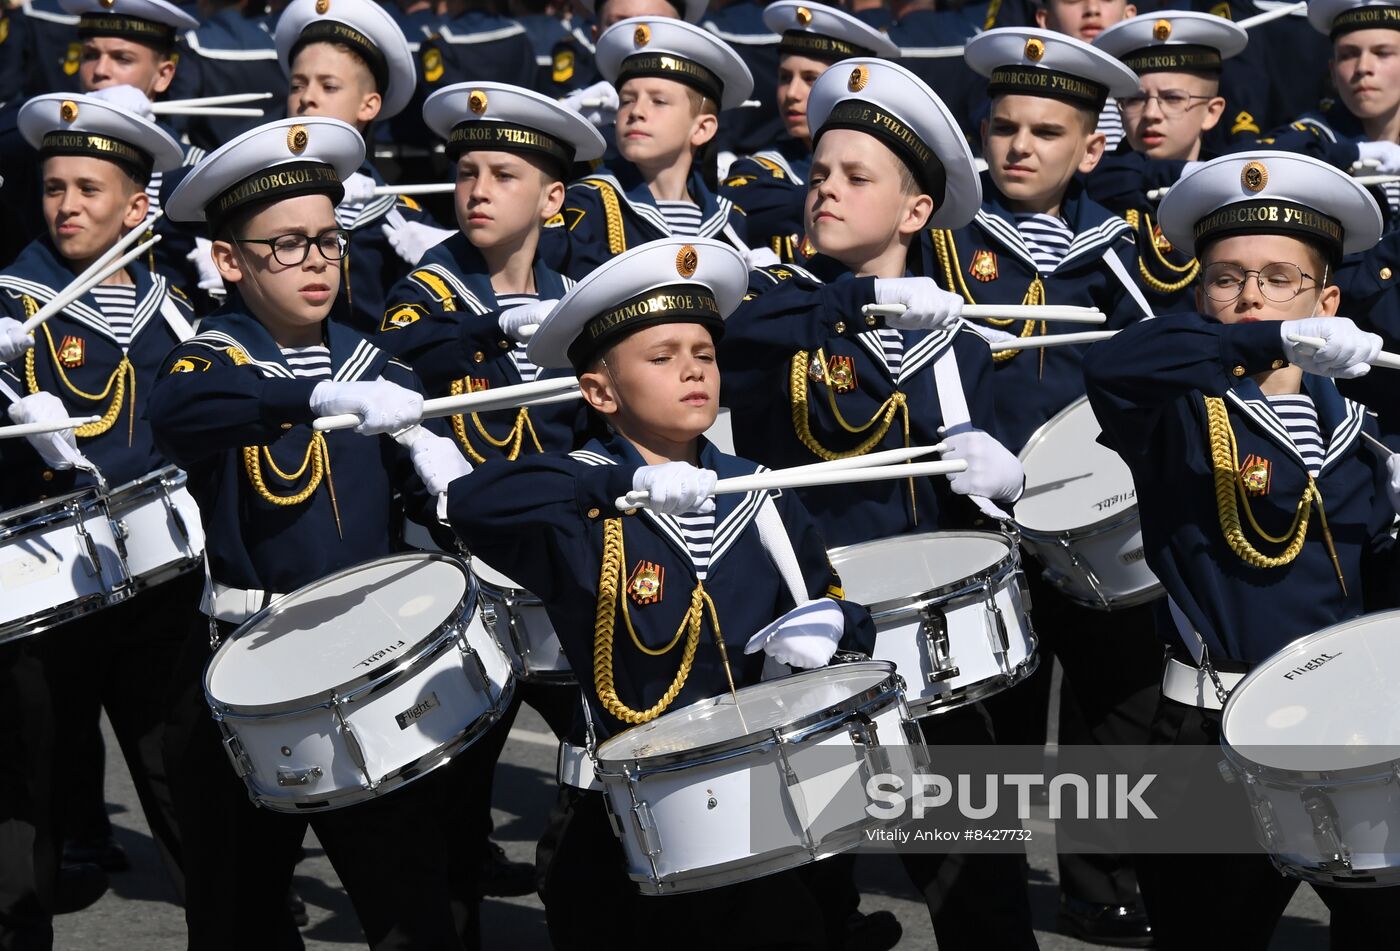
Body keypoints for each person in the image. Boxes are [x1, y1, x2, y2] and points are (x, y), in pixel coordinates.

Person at [442, 234, 874, 950]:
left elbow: (837, 604)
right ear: (601, 391)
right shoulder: (576, 502)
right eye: (661, 357)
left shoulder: (757, 492)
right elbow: (474, 500)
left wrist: (832, 622)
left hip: (753, 800)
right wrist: (620, 483)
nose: (692, 371)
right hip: (613, 815)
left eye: (703, 353)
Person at [721, 56, 1038, 951]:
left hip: (932, 658)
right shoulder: (777, 306)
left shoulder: (963, 341)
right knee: (803, 898)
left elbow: (1037, 477)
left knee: (978, 893)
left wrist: (1009, 479)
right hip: (806, 641)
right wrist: (860, 299)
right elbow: (733, 330)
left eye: (857, 178)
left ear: (914, 212)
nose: (826, 191)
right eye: (819, 173)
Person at [148, 115, 470, 950]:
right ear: (229, 260)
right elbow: (181, 412)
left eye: (326, 241)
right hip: (239, 655)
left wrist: (448, 479)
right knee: (237, 910)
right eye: (285, 245)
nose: (316, 263)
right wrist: (310, 399)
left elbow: (431, 499)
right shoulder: (212, 360)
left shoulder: (376, 366)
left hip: (364, 661)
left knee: (408, 903)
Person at [1084, 149, 1400, 949]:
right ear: (1200, 296)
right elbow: (1115, 365)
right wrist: (1270, 340)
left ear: (1328, 299)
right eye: (1226, 278)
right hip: (1211, 730)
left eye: (1279, 278)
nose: (1251, 293)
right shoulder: (1176, 415)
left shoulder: (1365, 443)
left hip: (1353, 732)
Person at [931, 27, 1162, 946]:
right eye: (1005, 126)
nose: (1020, 146)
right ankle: (983, 905)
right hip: (980, 523)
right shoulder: (947, 244)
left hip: (1091, 518)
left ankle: (1099, 880)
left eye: (1047, 132)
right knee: (993, 721)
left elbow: (1164, 363)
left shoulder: (1123, 252)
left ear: (1092, 148)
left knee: (1122, 701)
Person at [375, 79, 607, 924]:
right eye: (467, 170)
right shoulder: (430, 293)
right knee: (452, 783)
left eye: (502, 173)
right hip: (459, 576)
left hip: (558, 573)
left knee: (599, 749)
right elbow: (391, 355)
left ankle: (584, 903)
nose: (476, 188)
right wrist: (489, 328)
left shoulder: (579, 295)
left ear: (552, 197)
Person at [0, 90, 198, 895]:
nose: (67, 206)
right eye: (54, 188)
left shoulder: (176, 306)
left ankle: (228, 903)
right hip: (49, 572)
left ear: (136, 205)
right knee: (33, 773)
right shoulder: (12, 301)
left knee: (179, 766)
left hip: (161, 579)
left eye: (88, 190)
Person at [269, 0, 448, 336]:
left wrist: (447, 258)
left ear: (369, 105)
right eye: (297, 85)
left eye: (329, 86)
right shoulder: (256, 196)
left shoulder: (395, 215)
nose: (307, 98)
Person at [540, 16, 758, 279]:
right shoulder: (589, 203)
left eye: (659, 101)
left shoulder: (729, 218)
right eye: (627, 100)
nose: (637, 112)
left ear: (702, 129)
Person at [1088, 10, 1247, 312]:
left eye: (1173, 98)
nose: (1150, 114)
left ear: (1212, 112)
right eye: (1135, 100)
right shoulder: (1098, 179)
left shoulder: (1231, 192)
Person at [719, 0, 898, 263]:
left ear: (853, 86)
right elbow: (735, 203)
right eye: (784, 77)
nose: (792, 94)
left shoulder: (890, 166)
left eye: (810, 79)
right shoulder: (760, 171)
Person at [1249, 0, 1400, 231]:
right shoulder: (1315, 135)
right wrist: (1355, 153)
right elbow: (1251, 165)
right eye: (1348, 54)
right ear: (1333, 70)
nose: (1362, 67)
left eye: (1382, 53)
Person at [1034, 0, 1138, 152]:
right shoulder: (1031, 100)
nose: (1092, 9)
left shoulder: (1146, 93)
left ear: (1129, 15)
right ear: (1046, 19)